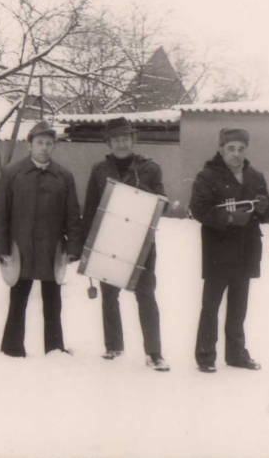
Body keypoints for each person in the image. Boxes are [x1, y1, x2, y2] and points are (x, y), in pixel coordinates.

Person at [82, 117, 170, 372]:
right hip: (108, 240)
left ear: (133, 140)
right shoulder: (99, 170)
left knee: (146, 295)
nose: (121, 144)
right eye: (116, 139)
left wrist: (148, 194)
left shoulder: (150, 169)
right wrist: (85, 246)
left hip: (141, 242)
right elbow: (90, 208)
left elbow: (162, 204)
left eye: (125, 139)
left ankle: (154, 353)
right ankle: (114, 346)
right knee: (109, 295)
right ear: (108, 143)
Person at [0, 120, 83, 358]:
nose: (44, 147)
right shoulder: (12, 173)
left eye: (49, 143)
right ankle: (12, 349)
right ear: (30, 145)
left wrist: (73, 247)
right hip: (19, 248)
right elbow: (0, 213)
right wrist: (0, 247)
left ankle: (54, 349)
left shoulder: (64, 176)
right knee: (18, 299)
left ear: (54, 147)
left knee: (53, 302)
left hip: (52, 249)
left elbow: (73, 215)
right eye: (40, 142)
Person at [189, 128, 269, 373]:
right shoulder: (207, 176)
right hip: (219, 250)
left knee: (239, 307)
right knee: (211, 306)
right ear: (221, 150)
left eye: (241, 149)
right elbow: (198, 209)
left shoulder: (255, 176)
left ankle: (236, 354)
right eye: (231, 149)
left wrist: (264, 207)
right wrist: (228, 218)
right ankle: (205, 356)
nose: (236, 154)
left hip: (246, 250)